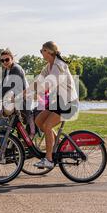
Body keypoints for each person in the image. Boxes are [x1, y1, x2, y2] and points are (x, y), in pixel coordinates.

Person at [26, 41, 79, 169]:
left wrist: (34, 92)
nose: (41, 53)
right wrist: (22, 93)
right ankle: (60, 145)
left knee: (48, 126)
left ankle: (49, 159)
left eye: (42, 50)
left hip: (68, 103)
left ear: (49, 52)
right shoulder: (48, 66)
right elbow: (37, 81)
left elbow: (47, 85)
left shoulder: (59, 66)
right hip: (58, 103)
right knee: (39, 121)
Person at [0, 49, 30, 131]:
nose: (4, 62)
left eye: (7, 59)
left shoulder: (16, 69)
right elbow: (2, 86)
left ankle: (5, 143)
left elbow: (7, 87)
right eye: (2, 60)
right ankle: (11, 140)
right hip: (12, 103)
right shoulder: (6, 70)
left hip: (21, 103)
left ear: (12, 59)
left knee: (2, 124)